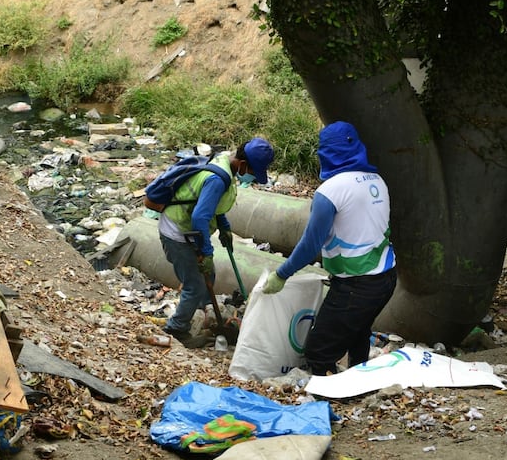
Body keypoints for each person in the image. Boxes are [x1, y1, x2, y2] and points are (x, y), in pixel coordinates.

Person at [262, 121, 396, 375]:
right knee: (357, 334)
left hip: (357, 285)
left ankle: (327, 402)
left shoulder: (330, 191)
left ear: (326, 153)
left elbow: (310, 244)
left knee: (319, 350)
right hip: (386, 278)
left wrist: (281, 274)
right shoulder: (377, 179)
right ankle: (359, 389)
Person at [161, 137, 275, 347]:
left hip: (187, 229)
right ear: (242, 164)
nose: (251, 177)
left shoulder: (224, 163)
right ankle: (177, 329)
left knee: (209, 275)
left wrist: (224, 226)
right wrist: (206, 250)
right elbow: (199, 217)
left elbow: (211, 205)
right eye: (252, 171)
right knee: (194, 284)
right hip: (177, 231)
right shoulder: (218, 179)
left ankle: (208, 315)